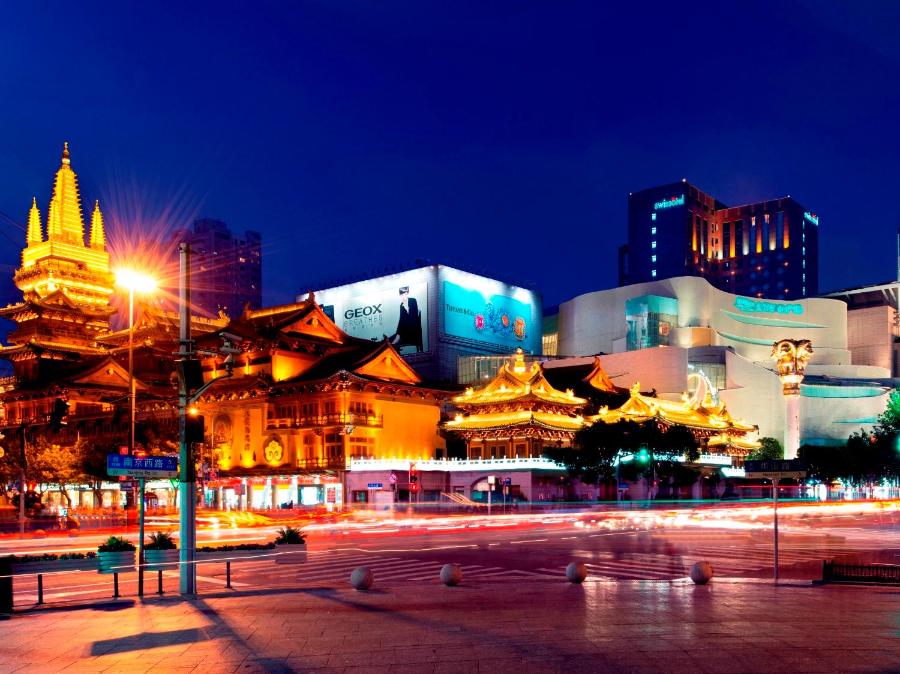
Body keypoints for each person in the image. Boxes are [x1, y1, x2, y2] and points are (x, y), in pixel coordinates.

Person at [386, 286, 423, 352]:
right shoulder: (401, 305)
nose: (403, 296)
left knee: (395, 338)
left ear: (407, 293)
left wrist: (406, 308)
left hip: (413, 330)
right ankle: (393, 339)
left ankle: (397, 338)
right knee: (389, 340)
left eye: (405, 294)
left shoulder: (413, 300)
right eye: (402, 295)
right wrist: (398, 333)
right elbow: (401, 320)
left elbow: (413, 316)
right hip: (404, 332)